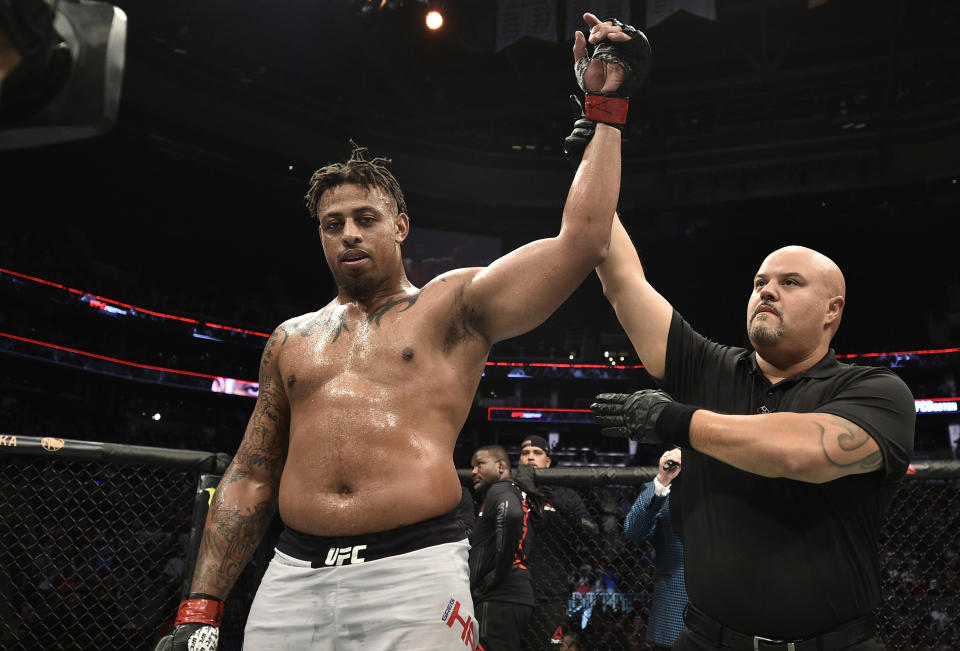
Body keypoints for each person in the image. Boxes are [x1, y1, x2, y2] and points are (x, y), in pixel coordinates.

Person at [156, 13, 649, 650]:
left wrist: (605, 112)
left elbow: (580, 243)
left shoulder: (452, 308)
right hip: (290, 575)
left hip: (413, 574)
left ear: (401, 227)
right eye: (333, 224)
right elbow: (251, 475)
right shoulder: (290, 340)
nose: (350, 234)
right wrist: (201, 606)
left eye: (366, 217)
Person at [590, 215, 916, 649]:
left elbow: (799, 453)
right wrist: (599, 155)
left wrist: (675, 420)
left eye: (791, 282)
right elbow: (621, 280)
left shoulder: (876, 391)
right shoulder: (707, 366)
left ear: (832, 309)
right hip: (706, 638)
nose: (767, 290)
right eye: (760, 281)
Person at [517, 435, 599, 649]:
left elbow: (592, 534)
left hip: (551, 591)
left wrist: (560, 505)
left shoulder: (565, 494)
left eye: (537, 453)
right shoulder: (509, 492)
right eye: (525, 453)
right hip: (511, 590)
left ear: (548, 461)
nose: (530, 458)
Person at [470, 445, 538, 650]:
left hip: (501, 595)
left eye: (480, 464)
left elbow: (510, 515)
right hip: (513, 594)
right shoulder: (517, 490)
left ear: (500, 467)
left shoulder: (500, 489)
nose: (474, 471)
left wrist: (497, 574)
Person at [623, 448, 686, 650]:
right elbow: (633, 531)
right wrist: (662, 480)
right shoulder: (663, 492)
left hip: (725, 617)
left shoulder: (727, 490)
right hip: (674, 617)